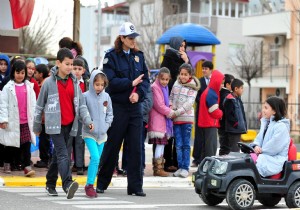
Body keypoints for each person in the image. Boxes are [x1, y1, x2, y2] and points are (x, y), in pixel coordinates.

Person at [96, 22, 149, 197]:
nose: (133, 40)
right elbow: (109, 82)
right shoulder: (111, 57)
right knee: (112, 146)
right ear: (122, 38)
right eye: (130, 37)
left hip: (135, 108)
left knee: (135, 148)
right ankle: (102, 182)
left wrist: (138, 95)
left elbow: (146, 81)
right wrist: (130, 84)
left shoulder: (139, 56)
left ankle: (135, 187)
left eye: (134, 37)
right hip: (118, 107)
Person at [33, 48, 94, 199]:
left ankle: (50, 183)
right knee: (63, 155)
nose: (70, 67)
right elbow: (39, 105)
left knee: (58, 156)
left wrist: (87, 120)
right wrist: (36, 126)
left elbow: (81, 105)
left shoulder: (74, 82)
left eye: (71, 64)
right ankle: (67, 184)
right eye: (67, 64)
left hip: (70, 125)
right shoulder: (48, 83)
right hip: (54, 126)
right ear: (58, 63)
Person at [0, 60, 36, 176]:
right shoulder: (8, 87)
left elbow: (33, 104)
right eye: (17, 72)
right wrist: (3, 120)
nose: (20, 75)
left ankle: (26, 166)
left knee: (26, 144)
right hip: (12, 122)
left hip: (26, 122)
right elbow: (3, 104)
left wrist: (36, 120)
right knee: (11, 145)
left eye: (22, 72)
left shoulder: (29, 87)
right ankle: (7, 163)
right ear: (13, 73)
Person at [82, 69, 113, 198]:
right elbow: (82, 113)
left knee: (97, 160)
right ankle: (89, 185)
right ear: (92, 83)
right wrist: (89, 123)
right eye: (97, 84)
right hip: (89, 133)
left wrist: (106, 126)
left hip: (102, 135)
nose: (99, 87)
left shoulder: (107, 97)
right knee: (95, 157)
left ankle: (91, 184)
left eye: (102, 84)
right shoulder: (85, 96)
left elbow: (110, 114)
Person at [160, 36, 189, 172]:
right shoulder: (168, 59)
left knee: (178, 135)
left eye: (184, 46)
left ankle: (177, 162)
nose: (183, 49)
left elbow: (189, 78)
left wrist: (187, 61)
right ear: (175, 45)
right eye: (181, 46)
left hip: (181, 103)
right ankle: (167, 162)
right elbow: (168, 81)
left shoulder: (182, 60)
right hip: (169, 101)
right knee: (168, 134)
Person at [170, 64, 200, 178]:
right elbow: (171, 96)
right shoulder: (176, 83)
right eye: (181, 74)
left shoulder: (192, 87)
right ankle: (180, 166)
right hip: (176, 119)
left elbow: (189, 104)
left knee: (186, 144)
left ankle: (185, 168)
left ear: (190, 75)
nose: (183, 76)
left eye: (185, 74)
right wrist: (171, 106)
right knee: (178, 144)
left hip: (186, 119)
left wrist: (176, 112)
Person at [249, 96, 290, 177]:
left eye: (266, 108)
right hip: (265, 155)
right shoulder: (267, 123)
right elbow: (258, 139)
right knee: (246, 157)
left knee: (251, 161)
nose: (263, 110)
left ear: (274, 111)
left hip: (275, 159)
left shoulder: (281, 126)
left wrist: (260, 151)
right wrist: (256, 146)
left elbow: (274, 146)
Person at [148, 67, 174, 177]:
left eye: (167, 79)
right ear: (158, 77)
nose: (164, 81)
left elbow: (165, 103)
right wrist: (171, 112)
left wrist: (170, 107)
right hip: (157, 119)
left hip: (162, 120)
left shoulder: (165, 87)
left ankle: (160, 167)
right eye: (162, 79)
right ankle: (157, 169)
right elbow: (158, 105)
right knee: (159, 145)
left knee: (162, 145)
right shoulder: (155, 87)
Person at [198, 70, 224, 162]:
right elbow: (214, 111)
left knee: (205, 149)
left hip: (205, 123)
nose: (222, 86)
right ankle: (208, 169)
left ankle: (203, 168)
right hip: (210, 124)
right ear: (217, 82)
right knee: (211, 150)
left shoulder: (208, 91)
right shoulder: (212, 94)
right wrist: (221, 113)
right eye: (221, 83)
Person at [69, 58, 89, 175]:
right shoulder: (69, 82)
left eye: (79, 69)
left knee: (80, 141)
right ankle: (70, 164)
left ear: (83, 70)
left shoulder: (86, 84)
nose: (76, 71)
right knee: (69, 141)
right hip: (70, 115)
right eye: (74, 68)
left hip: (81, 116)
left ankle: (80, 165)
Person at [192, 61, 213, 167]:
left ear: (210, 70)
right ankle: (197, 158)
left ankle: (206, 157)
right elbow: (196, 96)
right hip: (201, 111)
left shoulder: (214, 82)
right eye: (203, 68)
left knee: (208, 136)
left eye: (206, 68)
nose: (204, 70)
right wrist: (204, 103)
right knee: (199, 135)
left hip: (211, 113)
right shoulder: (199, 82)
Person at [33, 64, 51, 168]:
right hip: (45, 117)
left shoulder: (44, 85)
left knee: (44, 140)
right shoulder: (44, 83)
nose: (34, 74)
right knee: (45, 139)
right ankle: (45, 158)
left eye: (36, 72)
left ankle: (45, 159)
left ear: (41, 74)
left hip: (45, 118)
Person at [223, 78, 247, 153]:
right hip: (233, 129)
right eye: (241, 88)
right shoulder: (230, 100)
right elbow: (229, 115)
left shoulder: (238, 99)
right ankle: (234, 164)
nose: (243, 90)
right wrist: (235, 123)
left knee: (236, 149)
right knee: (234, 150)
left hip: (237, 129)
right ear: (236, 89)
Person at [218, 74, 235, 155]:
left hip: (222, 125)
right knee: (226, 148)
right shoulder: (227, 95)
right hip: (226, 126)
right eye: (233, 83)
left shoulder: (220, 93)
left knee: (223, 147)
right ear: (227, 84)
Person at [0, 53, 11, 168]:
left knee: (5, 135)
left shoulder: (9, 78)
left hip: (6, 109)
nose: (3, 67)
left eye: (5, 64)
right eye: (1, 64)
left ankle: (5, 159)